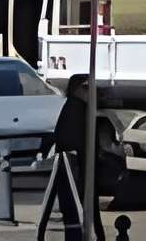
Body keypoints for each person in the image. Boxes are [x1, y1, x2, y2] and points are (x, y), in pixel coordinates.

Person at [51, 75, 125, 224]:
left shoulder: (75, 108)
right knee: (82, 220)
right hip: (79, 175)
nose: (93, 93)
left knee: (81, 220)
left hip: (76, 175)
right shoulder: (77, 109)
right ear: (77, 90)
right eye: (87, 88)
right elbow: (79, 143)